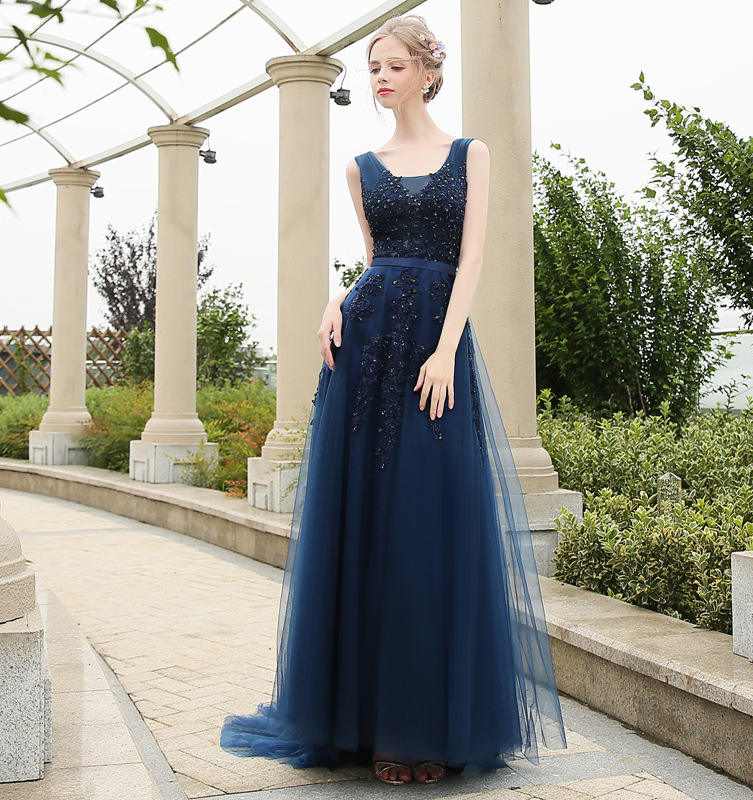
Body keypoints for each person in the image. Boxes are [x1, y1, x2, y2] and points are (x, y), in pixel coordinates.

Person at [219, 12, 568, 787]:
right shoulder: (360, 168)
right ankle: (368, 725)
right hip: (365, 348)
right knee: (368, 524)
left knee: (429, 525)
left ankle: (430, 729)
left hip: (432, 358)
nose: (380, 77)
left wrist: (445, 349)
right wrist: (338, 298)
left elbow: (471, 257)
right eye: (373, 66)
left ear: (428, 71)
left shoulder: (469, 154)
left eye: (395, 64)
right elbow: (378, 258)